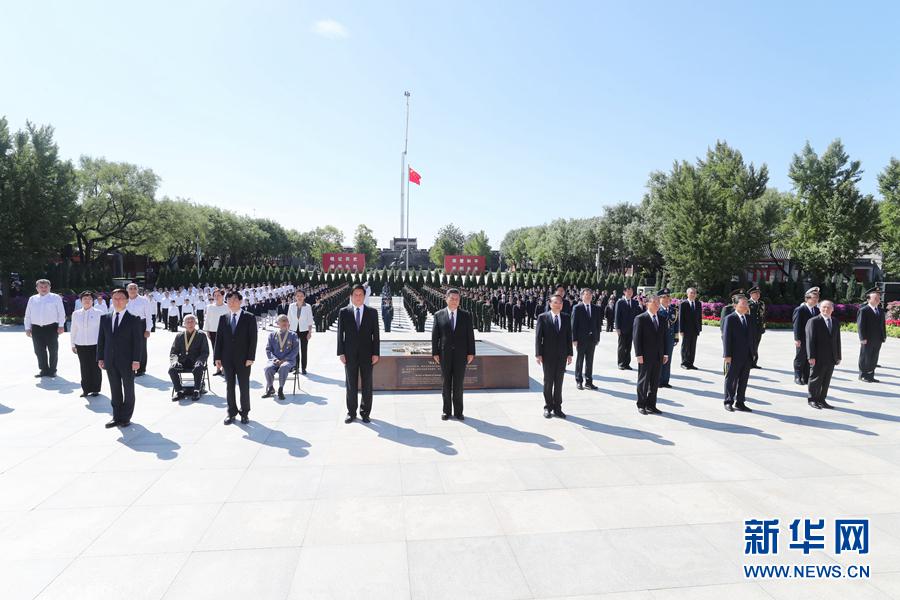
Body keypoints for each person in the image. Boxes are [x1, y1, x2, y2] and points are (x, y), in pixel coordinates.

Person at [97, 288, 143, 428]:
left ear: (127, 300)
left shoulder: (134, 319)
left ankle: (126, 417)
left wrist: (136, 360)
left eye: (121, 298)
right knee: (115, 388)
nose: (118, 301)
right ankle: (116, 416)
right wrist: (100, 358)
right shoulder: (105, 318)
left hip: (128, 361)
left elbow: (138, 342)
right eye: (115, 298)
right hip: (110, 360)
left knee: (128, 389)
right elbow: (101, 340)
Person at [336, 284, 380, 423]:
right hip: (349, 355)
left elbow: (376, 335)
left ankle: (365, 412)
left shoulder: (372, 312)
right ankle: (351, 412)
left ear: (364, 296)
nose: (358, 297)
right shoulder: (344, 312)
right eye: (355, 294)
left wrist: (376, 353)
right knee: (351, 384)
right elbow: (340, 335)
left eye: (361, 294)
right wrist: (341, 353)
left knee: (367, 384)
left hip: (367, 355)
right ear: (351, 296)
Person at [431, 288, 476, 420]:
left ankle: (458, 411)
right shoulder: (439, 315)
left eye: (457, 299)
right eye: (452, 299)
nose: (455, 301)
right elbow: (435, 336)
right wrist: (435, 352)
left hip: (461, 356)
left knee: (458, 384)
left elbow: (470, 336)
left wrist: (471, 352)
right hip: (444, 355)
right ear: (446, 299)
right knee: (446, 384)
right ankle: (446, 411)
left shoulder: (466, 315)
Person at [214, 291, 258, 425]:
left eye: (233, 299)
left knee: (244, 386)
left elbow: (253, 339)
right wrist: (217, 357)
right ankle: (231, 412)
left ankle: (245, 412)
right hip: (227, 358)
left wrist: (251, 357)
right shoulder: (223, 318)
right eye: (228, 300)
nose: (230, 302)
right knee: (229, 386)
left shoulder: (249, 317)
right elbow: (219, 339)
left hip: (244, 359)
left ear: (240, 301)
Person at [535, 294, 573, 418]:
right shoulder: (543, 317)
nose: (558, 304)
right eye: (555, 302)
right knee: (548, 381)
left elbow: (568, 337)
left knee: (559, 382)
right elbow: (538, 337)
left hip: (562, 355)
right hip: (547, 355)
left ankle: (558, 408)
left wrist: (570, 354)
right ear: (550, 304)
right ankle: (548, 407)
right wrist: (538, 354)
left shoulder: (566, 317)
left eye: (560, 303)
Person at [24, 278, 66, 378]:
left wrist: (61, 325)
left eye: (45, 287)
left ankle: (52, 370)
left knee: (53, 350)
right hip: (36, 328)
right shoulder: (32, 299)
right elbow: (28, 314)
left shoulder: (55, 298)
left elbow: (61, 313)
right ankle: (43, 369)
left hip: (51, 328)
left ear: (50, 287)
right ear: (37, 288)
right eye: (41, 287)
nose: (43, 289)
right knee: (38, 350)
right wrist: (27, 327)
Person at [633, 294, 667, 415]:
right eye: (655, 302)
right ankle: (641, 404)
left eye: (658, 302)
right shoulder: (640, 318)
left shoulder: (662, 319)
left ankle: (651, 405)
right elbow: (636, 338)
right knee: (643, 381)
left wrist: (665, 354)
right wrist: (638, 354)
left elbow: (664, 338)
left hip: (658, 355)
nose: (657, 305)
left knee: (654, 382)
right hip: (645, 356)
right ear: (648, 304)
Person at [806, 299, 841, 409]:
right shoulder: (813, 321)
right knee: (816, 378)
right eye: (824, 307)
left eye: (829, 307)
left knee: (826, 380)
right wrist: (811, 356)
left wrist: (838, 356)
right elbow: (810, 340)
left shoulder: (835, 321)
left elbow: (837, 340)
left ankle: (822, 399)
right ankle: (812, 399)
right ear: (819, 308)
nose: (826, 309)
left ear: (833, 309)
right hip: (818, 356)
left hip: (831, 356)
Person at [722, 294, 753, 413]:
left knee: (743, 380)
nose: (746, 306)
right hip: (734, 355)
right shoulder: (730, 318)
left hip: (747, 355)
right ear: (736, 305)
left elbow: (752, 337)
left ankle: (740, 402)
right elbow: (726, 338)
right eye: (743, 303)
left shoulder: (749, 318)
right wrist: (727, 355)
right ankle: (728, 401)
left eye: (746, 303)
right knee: (731, 379)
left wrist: (753, 352)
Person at [168, 314, 210, 401]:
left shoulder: (201, 335)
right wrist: (174, 361)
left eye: (192, 321)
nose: (190, 323)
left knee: (198, 367)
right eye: (188, 322)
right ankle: (179, 392)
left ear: (195, 323)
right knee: (171, 369)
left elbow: (205, 352)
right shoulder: (179, 336)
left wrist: (200, 361)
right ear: (184, 324)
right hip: (182, 361)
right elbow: (174, 352)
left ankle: (197, 391)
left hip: (196, 361)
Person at [70, 291, 104, 397]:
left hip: (95, 344)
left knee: (95, 367)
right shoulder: (76, 314)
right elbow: (73, 329)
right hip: (81, 344)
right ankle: (86, 389)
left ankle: (95, 389)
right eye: (84, 299)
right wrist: (73, 344)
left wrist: (104, 345)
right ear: (81, 301)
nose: (87, 301)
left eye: (89, 299)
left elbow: (103, 331)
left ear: (93, 301)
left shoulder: (99, 313)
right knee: (84, 367)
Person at [263, 315, 299, 400]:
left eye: (286, 320)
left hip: (288, 361)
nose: (284, 322)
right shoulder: (272, 335)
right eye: (282, 321)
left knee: (283, 367)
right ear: (278, 323)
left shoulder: (293, 335)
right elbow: (268, 350)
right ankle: (271, 388)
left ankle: (280, 389)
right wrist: (274, 359)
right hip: (275, 360)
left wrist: (284, 360)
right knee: (268, 368)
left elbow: (295, 350)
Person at [571, 288, 601, 390]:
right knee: (580, 360)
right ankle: (579, 381)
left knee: (590, 361)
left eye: (590, 294)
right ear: (582, 296)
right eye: (586, 294)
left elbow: (598, 325)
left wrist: (597, 338)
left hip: (592, 339)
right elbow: (574, 325)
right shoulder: (577, 308)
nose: (588, 296)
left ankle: (589, 381)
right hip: (581, 339)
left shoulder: (596, 308)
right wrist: (574, 339)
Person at [857, 287, 887, 383]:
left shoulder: (880, 311)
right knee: (865, 356)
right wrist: (862, 338)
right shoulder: (864, 310)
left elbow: (883, 325)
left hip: (877, 338)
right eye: (875, 298)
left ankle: (870, 375)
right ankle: (863, 375)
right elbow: (860, 325)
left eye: (878, 298)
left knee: (874, 357)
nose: (878, 300)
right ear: (869, 299)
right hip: (867, 338)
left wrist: (884, 336)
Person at [792, 287, 820, 385]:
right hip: (802, 339)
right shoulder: (800, 310)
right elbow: (796, 325)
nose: (816, 300)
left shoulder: (817, 310)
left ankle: (806, 377)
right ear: (807, 299)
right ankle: (797, 376)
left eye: (817, 298)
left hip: (813, 339)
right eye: (814, 298)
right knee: (800, 357)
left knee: (810, 357)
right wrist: (797, 338)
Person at [125, 283, 153, 376]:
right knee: (128, 346)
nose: (132, 290)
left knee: (141, 347)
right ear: (127, 290)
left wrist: (148, 329)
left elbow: (149, 315)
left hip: (140, 324)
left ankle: (141, 369)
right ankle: (130, 367)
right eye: (130, 288)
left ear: (137, 290)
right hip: (127, 324)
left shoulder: (144, 300)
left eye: (134, 288)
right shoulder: (124, 300)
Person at [288, 290, 314, 374]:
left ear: (304, 297)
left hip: (304, 330)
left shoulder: (308, 306)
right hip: (293, 330)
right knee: (295, 350)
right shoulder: (291, 306)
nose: (299, 297)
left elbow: (310, 320)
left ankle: (303, 368)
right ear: (295, 297)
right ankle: (296, 367)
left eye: (301, 296)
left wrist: (310, 332)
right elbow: (289, 319)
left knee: (304, 349)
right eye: (298, 296)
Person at [614, 286, 640, 370]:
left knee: (629, 347)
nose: (630, 293)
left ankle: (627, 363)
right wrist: (617, 328)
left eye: (631, 291)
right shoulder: (620, 302)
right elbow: (617, 315)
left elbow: (638, 314)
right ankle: (621, 363)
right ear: (624, 292)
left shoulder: (635, 302)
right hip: (622, 328)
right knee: (622, 347)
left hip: (632, 329)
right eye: (628, 291)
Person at [204, 289, 228, 376]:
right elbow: (207, 319)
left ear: (222, 296)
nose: (216, 297)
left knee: (225, 350)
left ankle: (225, 368)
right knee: (215, 350)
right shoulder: (210, 307)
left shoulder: (227, 306)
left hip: (225, 332)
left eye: (218, 295)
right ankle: (218, 368)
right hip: (213, 331)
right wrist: (207, 330)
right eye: (215, 296)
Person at [658, 289, 678, 388]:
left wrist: (676, 337)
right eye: (664, 297)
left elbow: (676, 324)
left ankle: (665, 380)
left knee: (668, 359)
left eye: (668, 297)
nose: (667, 299)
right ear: (660, 299)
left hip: (669, 339)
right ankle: (657, 381)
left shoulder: (673, 310)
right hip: (660, 339)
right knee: (659, 360)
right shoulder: (657, 310)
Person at [678, 287, 702, 369]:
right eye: (691, 293)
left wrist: (699, 328)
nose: (693, 294)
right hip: (686, 329)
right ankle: (684, 363)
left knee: (692, 347)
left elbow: (699, 317)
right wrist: (681, 330)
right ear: (687, 294)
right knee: (685, 347)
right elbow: (680, 318)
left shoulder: (698, 304)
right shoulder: (683, 304)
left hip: (695, 329)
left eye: (694, 293)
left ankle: (691, 363)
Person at [747, 286, 766, 368]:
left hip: (758, 328)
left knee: (756, 345)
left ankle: (754, 362)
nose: (758, 295)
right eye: (756, 293)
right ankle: (748, 362)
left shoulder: (761, 303)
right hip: (750, 328)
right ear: (751, 294)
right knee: (750, 345)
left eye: (759, 293)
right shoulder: (747, 303)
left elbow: (763, 316)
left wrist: (763, 327)